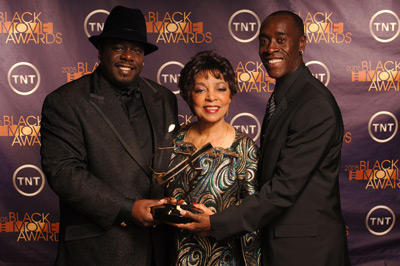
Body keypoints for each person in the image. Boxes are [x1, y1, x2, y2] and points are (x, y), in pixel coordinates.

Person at [175, 11, 351, 266]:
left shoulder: (314, 106)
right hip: (279, 246)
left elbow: (282, 191)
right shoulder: (286, 96)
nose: (270, 48)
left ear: (301, 43)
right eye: (264, 40)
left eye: (281, 40)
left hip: (307, 252)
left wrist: (217, 223)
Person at [40, 6, 179, 266]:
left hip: (160, 249)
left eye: (136, 50)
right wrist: (127, 208)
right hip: (101, 249)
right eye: (118, 47)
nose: (128, 56)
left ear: (143, 57)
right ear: (100, 51)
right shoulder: (66, 101)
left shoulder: (164, 99)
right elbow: (64, 173)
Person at [165, 50, 261, 265]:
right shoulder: (173, 142)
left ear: (231, 95)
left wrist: (218, 223)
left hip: (225, 258)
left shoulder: (245, 149)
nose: (211, 97)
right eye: (201, 90)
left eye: (220, 89)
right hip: (173, 255)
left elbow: (255, 216)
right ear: (189, 95)